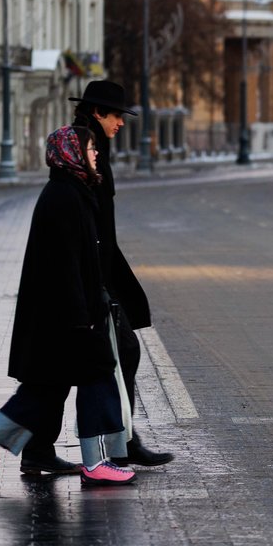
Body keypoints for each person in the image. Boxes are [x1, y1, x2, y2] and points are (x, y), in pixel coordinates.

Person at [0, 126, 135, 488]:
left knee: (43, 391)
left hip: (61, 316)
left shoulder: (72, 191)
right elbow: (64, 265)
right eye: (90, 149)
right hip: (67, 318)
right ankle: (97, 461)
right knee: (96, 376)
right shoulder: (63, 197)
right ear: (72, 153)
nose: (95, 155)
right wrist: (81, 318)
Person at [70, 80, 174, 470]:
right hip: (94, 274)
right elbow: (85, 215)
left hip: (101, 268)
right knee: (115, 355)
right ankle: (118, 445)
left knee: (85, 366)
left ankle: (119, 442)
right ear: (98, 113)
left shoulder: (95, 142)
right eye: (116, 115)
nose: (122, 123)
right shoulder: (84, 144)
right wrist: (97, 278)